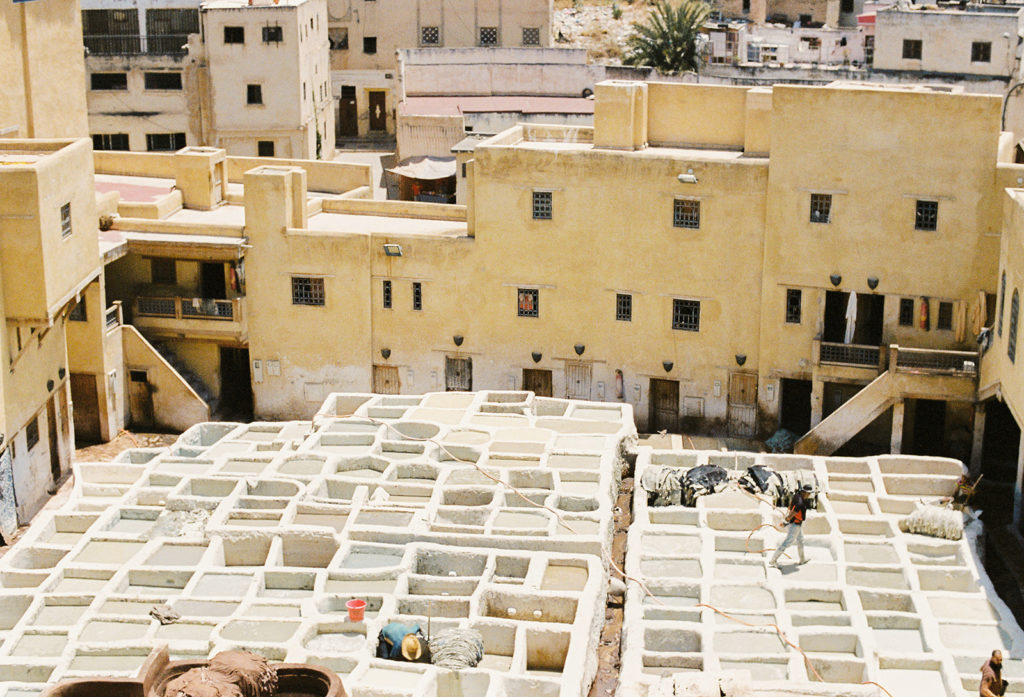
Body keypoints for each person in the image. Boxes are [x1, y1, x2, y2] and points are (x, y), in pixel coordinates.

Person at [770, 486, 810, 567]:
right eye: (808, 493)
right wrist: (786, 521)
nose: (809, 495)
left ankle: (802, 559)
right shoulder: (800, 502)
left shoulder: (797, 496)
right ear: (804, 492)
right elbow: (794, 512)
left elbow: (791, 506)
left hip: (797, 524)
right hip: (795, 525)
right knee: (787, 543)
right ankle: (773, 560)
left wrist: (787, 518)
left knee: (800, 540)